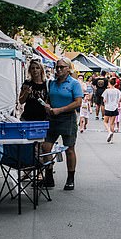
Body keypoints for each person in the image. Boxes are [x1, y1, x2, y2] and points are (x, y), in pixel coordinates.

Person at [42, 57, 83, 191]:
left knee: (69, 149)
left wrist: (61, 109)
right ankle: (49, 177)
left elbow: (78, 102)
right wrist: (47, 106)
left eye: (61, 67)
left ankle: (70, 179)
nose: (58, 69)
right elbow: (48, 99)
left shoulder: (74, 83)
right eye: (57, 67)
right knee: (46, 147)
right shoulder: (51, 83)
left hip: (67, 118)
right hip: (52, 118)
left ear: (68, 69)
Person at [102, 77, 121, 143]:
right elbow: (119, 100)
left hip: (108, 107)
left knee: (105, 122)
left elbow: (104, 100)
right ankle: (112, 139)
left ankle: (109, 131)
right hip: (114, 107)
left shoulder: (107, 91)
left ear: (109, 83)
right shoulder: (118, 91)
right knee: (112, 123)